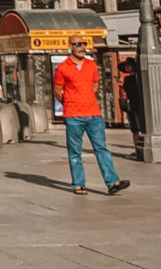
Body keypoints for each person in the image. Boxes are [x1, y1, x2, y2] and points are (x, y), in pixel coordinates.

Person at [53, 35, 130, 196]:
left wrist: (86, 97)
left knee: (101, 148)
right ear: (71, 47)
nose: (82, 47)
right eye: (78, 44)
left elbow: (95, 86)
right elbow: (57, 90)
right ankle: (78, 184)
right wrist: (70, 102)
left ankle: (112, 182)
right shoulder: (63, 68)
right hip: (73, 115)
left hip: (94, 113)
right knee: (75, 151)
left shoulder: (91, 65)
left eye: (84, 44)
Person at [121, 57, 144, 159]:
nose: (127, 67)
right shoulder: (127, 78)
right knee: (134, 129)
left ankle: (140, 149)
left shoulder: (139, 78)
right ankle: (137, 149)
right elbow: (126, 91)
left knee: (140, 127)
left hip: (138, 106)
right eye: (126, 66)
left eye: (129, 65)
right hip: (131, 107)